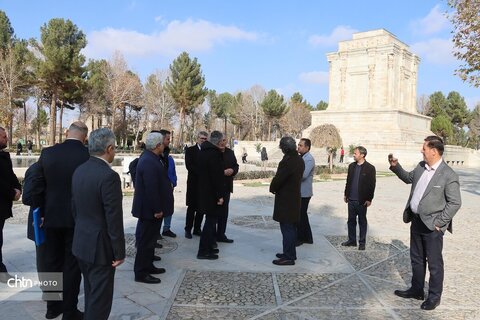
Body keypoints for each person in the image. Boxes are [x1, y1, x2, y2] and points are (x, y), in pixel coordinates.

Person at [390, 136, 461, 311]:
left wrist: (440, 222)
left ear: (434, 151)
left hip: (433, 227)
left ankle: (434, 297)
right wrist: (395, 166)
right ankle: (416, 290)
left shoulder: (448, 174)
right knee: (416, 259)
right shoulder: (421, 167)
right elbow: (407, 178)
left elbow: (455, 202)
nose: (422, 151)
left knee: (435, 264)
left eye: (424, 148)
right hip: (416, 221)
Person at [37, 121, 89, 320]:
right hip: (76, 218)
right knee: (71, 266)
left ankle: (52, 307)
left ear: (67, 133)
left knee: (52, 262)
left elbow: (38, 184)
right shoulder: (87, 156)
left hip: (51, 217)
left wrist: (40, 211)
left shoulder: (48, 153)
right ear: (84, 136)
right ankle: (69, 310)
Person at [71, 128, 125, 320]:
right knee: (99, 303)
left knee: (91, 294)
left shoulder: (79, 170)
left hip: (81, 243)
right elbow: (114, 218)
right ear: (109, 148)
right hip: (100, 250)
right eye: (115, 148)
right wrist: (119, 252)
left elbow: (75, 209)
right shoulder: (109, 176)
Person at [132, 131, 173, 284]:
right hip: (149, 211)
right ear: (157, 145)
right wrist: (157, 209)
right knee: (145, 242)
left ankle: (148, 266)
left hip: (151, 210)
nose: (164, 145)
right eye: (163, 143)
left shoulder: (153, 157)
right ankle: (141, 273)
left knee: (150, 241)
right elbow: (151, 188)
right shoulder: (149, 161)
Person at [270, 137, 304, 266]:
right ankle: (289, 253)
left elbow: (280, 178)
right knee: (289, 228)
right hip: (292, 198)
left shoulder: (289, 161)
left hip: (287, 199)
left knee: (287, 228)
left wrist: (272, 187)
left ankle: (289, 257)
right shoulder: (298, 159)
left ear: (285, 148)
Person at [197, 131, 226, 260]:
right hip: (211, 195)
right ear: (219, 142)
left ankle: (208, 248)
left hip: (204, 192)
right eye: (222, 141)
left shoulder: (204, 151)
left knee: (210, 222)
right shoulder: (213, 154)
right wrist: (219, 195)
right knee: (209, 224)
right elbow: (216, 177)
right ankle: (203, 251)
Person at [342, 146, 376, 251]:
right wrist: (346, 194)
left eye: (355, 153)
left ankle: (362, 242)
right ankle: (352, 240)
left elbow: (372, 185)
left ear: (362, 155)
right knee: (351, 221)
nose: (353, 155)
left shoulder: (370, 168)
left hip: (362, 201)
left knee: (362, 221)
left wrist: (369, 199)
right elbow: (348, 181)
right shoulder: (351, 166)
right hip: (351, 199)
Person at [0, 127, 22, 283]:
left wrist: (18, 189)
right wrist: (11, 192)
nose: (7, 138)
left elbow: (11, 175)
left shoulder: (4, 156)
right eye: (3, 136)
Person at [184, 131, 208, 238]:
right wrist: (202, 173)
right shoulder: (190, 150)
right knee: (191, 208)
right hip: (194, 184)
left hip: (204, 185)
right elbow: (189, 166)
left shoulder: (208, 151)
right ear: (197, 139)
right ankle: (188, 229)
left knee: (201, 208)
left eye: (205, 139)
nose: (203, 140)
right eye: (202, 138)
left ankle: (197, 229)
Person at [216, 136, 239, 244]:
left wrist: (232, 170)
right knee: (214, 213)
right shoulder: (214, 153)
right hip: (215, 187)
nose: (222, 143)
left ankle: (221, 234)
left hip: (227, 187)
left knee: (224, 212)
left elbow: (236, 165)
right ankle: (211, 236)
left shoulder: (230, 152)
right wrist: (222, 172)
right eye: (220, 141)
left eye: (224, 140)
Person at [296, 138, 315, 246]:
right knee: (302, 215)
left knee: (300, 215)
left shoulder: (309, 159)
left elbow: (303, 175)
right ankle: (308, 237)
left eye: (301, 145)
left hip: (304, 192)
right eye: (298, 145)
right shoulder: (301, 157)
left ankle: (301, 238)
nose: (299, 147)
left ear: (307, 147)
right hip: (299, 192)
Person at [162, 155, 177, 237]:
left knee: (169, 207)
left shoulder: (170, 159)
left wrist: (173, 182)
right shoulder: (156, 158)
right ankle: (156, 232)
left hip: (169, 188)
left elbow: (173, 172)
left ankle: (166, 229)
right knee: (159, 208)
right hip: (160, 188)